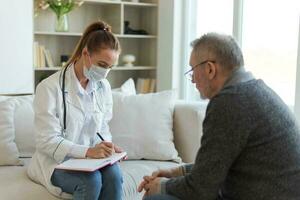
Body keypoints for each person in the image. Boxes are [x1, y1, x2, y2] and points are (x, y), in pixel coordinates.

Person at [138, 32, 300, 200]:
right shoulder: (254, 91)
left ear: (210, 69)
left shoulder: (229, 102)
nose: (193, 80)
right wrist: (178, 171)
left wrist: (160, 186)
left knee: (155, 198)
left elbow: (200, 190)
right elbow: (218, 164)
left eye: (193, 70)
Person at [27, 21, 123, 200]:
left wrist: (107, 146)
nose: (105, 73)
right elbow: (46, 141)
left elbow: (102, 128)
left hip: (89, 160)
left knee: (114, 176)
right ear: (85, 54)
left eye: (110, 67)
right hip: (55, 162)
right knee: (91, 181)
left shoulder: (103, 87)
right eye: (102, 64)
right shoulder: (49, 87)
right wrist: (87, 152)